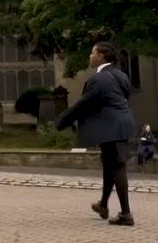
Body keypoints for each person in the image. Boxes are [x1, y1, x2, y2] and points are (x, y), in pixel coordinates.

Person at [56, 42, 137, 227]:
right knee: (109, 165)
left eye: (92, 53)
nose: (90, 56)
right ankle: (103, 204)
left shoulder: (99, 79)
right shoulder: (121, 75)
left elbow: (84, 104)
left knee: (117, 166)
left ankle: (126, 214)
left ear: (101, 56)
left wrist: (63, 120)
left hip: (110, 127)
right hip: (122, 124)